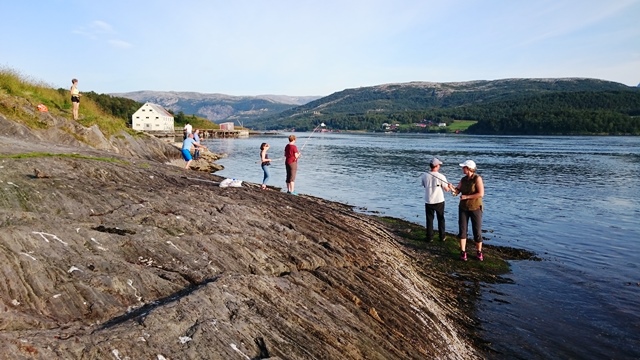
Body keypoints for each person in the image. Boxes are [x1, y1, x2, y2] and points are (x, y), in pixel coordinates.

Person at [453, 160, 485, 261]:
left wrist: (466, 196)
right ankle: (463, 252)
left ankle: (479, 252)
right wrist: (452, 189)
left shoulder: (477, 179)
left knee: (477, 231)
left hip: (476, 208)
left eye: (464, 167)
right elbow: (456, 192)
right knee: (462, 230)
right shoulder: (463, 179)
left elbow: (481, 194)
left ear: (469, 168)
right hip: (463, 208)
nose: (462, 169)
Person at [421, 158, 453, 242]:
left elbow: (424, 185)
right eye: (439, 165)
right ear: (436, 166)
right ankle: (442, 237)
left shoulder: (424, 175)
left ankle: (429, 237)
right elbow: (446, 189)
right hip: (439, 200)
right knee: (441, 218)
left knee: (429, 219)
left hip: (428, 200)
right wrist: (449, 186)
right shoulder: (441, 176)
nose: (440, 166)